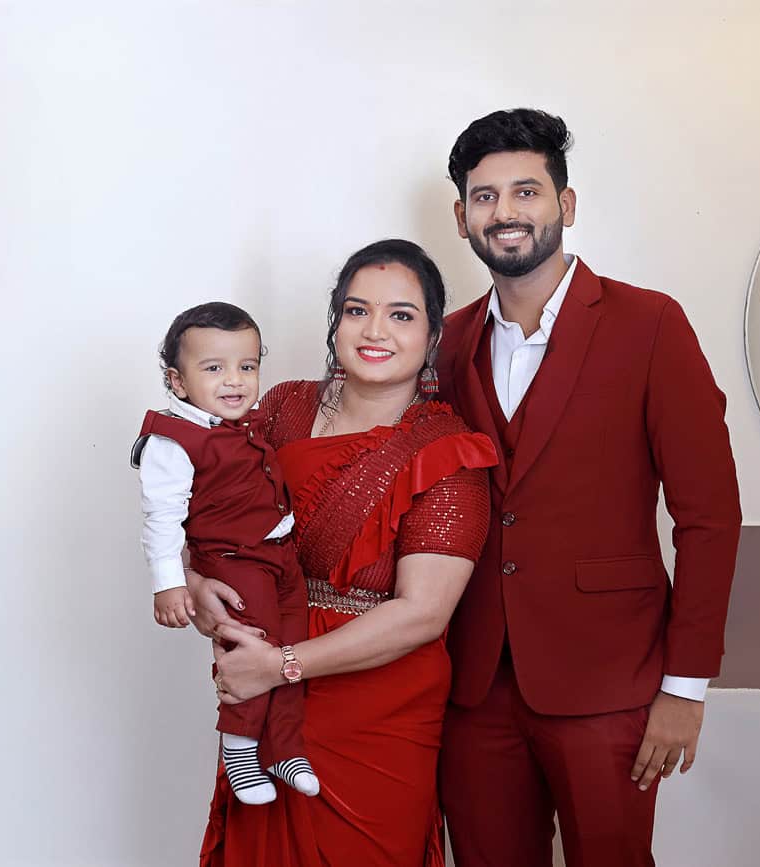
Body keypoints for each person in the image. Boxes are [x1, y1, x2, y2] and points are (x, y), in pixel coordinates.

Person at [436, 108, 742, 867]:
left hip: (611, 678)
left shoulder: (650, 325)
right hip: (472, 683)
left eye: (525, 191)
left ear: (565, 206)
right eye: (484, 197)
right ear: (462, 216)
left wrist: (686, 687)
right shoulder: (447, 342)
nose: (504, 213)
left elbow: (710, 515)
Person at [189, 239, 500, 866]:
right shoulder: (279, 410)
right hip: (266, 697)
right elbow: (208, 518)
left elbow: (423, 614)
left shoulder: (448, 450)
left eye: (402, 315)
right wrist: (197, 585)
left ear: (433, 334)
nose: (375, 330)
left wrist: (281, 665)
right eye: (357, 310)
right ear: (335, 323)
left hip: (378, 709)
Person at [132, 302, 318, 805]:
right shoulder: (173, 441)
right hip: (233, 562)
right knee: (251, 645)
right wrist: (170, 583)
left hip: (279, 557)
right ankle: (239, 745)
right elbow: (163, 518)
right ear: (177, 380)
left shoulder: (242, 422)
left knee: (290, 648)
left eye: (247, 366)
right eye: (213, 369)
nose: (234, 381)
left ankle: (283, 746)